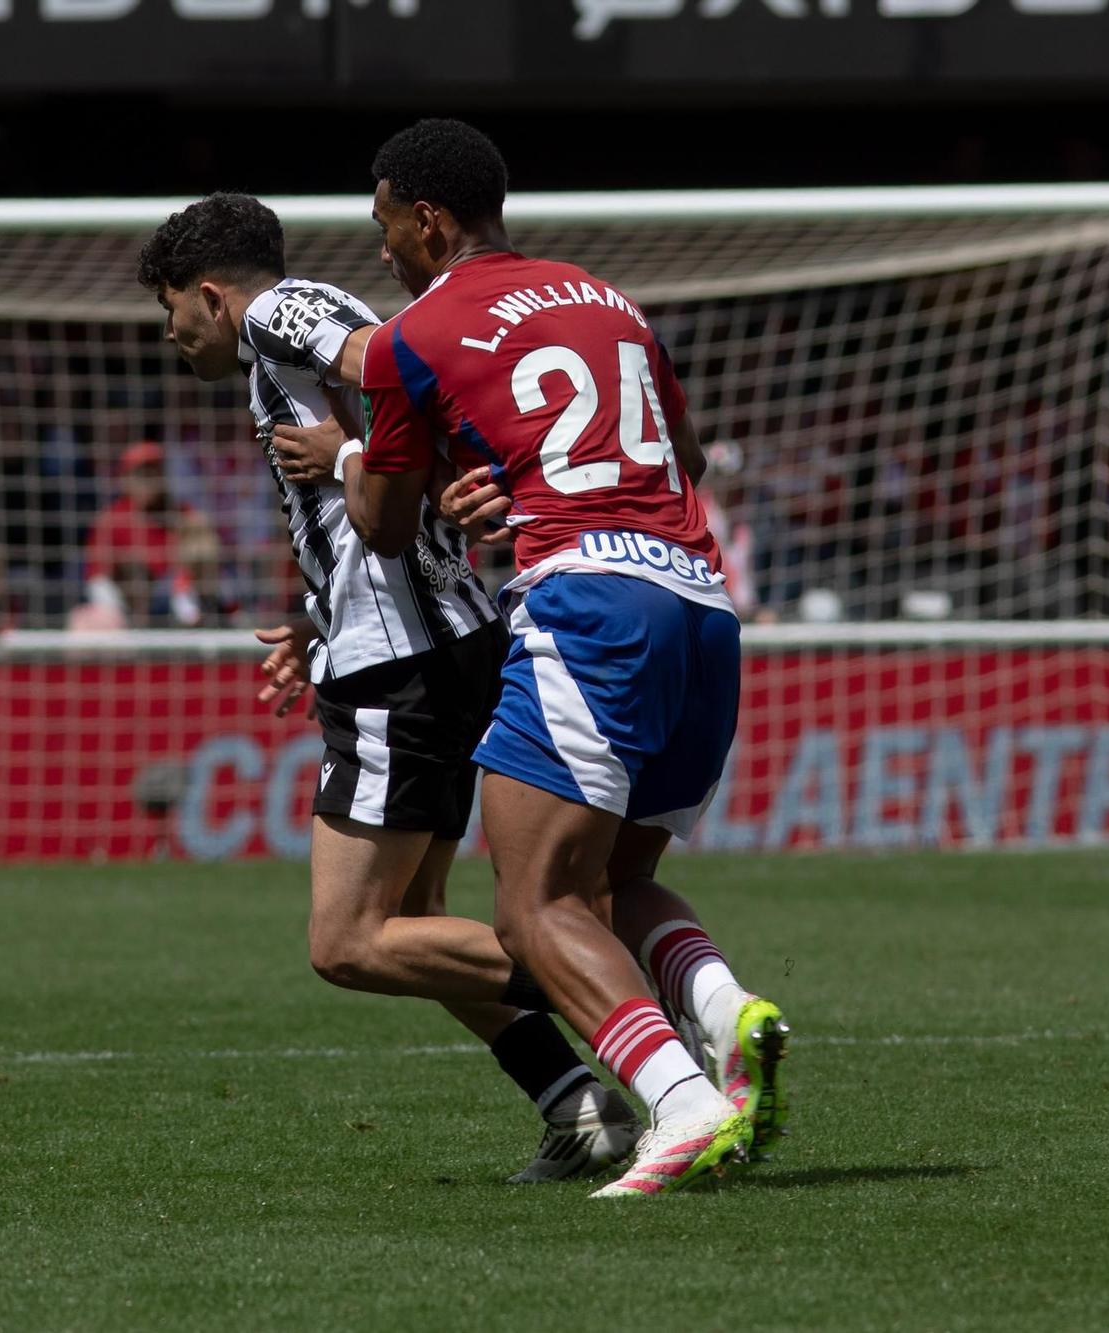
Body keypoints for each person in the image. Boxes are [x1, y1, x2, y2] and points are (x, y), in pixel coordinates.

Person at [138, 192, 640, 1184]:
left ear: (210, 295)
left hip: (399, 661)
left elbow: (400, 362)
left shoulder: (279, 311)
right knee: (415, 917)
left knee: (348, 940)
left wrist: (360, 454)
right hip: (422, 642)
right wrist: (321, 613)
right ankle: (576, 1106)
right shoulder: (285, 349)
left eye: (170, 310)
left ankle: (637, 1005)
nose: (170, 333)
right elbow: (386, 472)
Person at [336, 119, 789, 1199]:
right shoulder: (607, 300)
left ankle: (679, 1103)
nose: (381, 250)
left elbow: (384, 527)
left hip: (589, 604)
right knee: (617, 882)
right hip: (700, 602)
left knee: (532, 905)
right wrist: (509, 468)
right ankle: (727, 1011)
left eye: (385, 226)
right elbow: (678, 458)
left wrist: (349, 452)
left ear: (427, 218)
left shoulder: (410, 334)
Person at [76, 441, 219, 628]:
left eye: (154, 472)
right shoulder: (111, 518)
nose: (148, 480)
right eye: (141, 474)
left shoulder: (183, 514)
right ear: (125, 479)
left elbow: (205, 562)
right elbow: (97, 578)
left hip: (175, 597)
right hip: (128, 604)